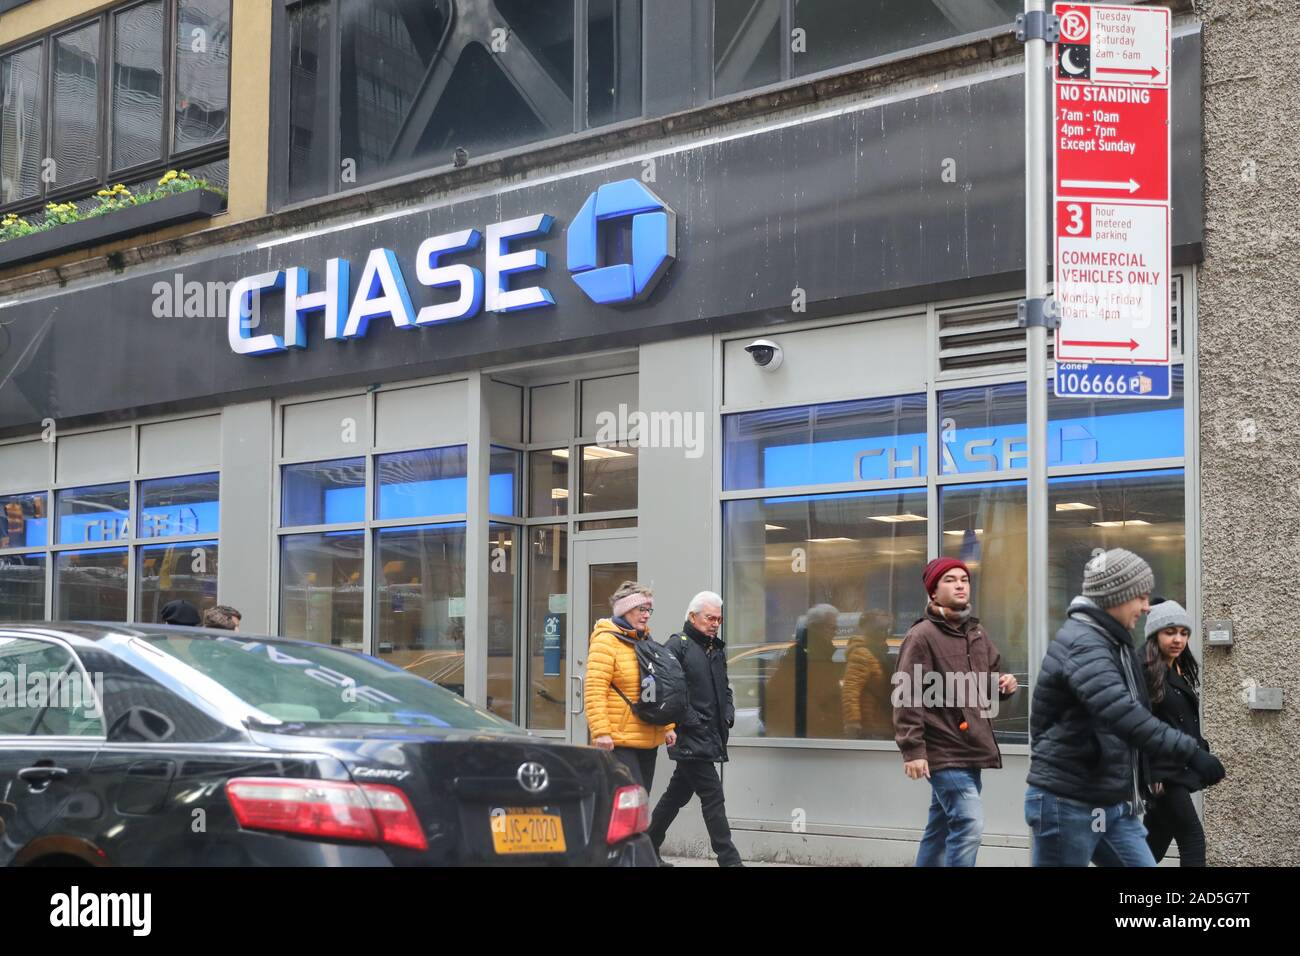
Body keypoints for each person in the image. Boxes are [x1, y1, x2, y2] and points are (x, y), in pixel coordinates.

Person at [1025, 549, 1226, 866]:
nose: (1146, 607)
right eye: (1141, 597)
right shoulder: (1085, 643)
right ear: (1117, 595)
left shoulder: (1113, 644)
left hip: (1110, 800)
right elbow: (1123, 714)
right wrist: (1190, 752)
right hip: (1068, 799)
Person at [894, 557, 1018, 867]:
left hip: (971, 746)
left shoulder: (976, 633)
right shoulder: (921, 636)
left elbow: (982, 686)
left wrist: (1002, 686)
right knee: (968, 822)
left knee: (940, 828)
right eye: (950, 579)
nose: (960, 584)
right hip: (942, 748)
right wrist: (913, 750)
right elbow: (906, 694)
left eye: (964, 578)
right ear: (933, 592)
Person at [647, 591, 743, 867]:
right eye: (709, 618)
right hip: (689, 735)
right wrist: (693, 721)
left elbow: (724, 688)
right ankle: (730, 860)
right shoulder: (678, 646)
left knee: (676, 795)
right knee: (713, 796)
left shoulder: (714, 649)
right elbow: (669, 691)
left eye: (719, 619)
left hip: (709, 734)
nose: (715, 624)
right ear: (692, 616)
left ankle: (646, 845)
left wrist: (728, 712)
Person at [584, 581, 675, 795]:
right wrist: (601, 732)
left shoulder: (645, 641)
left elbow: (657, 687)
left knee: (640, 801)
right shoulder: (606, 641)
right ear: (625, 610)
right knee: (627, 800)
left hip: (648, 736)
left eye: (648, 609)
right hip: (619, 739)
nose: (646, 615)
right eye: (641, 609)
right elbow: (595, 688)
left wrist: (667, 726)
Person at [1141, 600, 1208, 866]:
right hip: (1164, 772)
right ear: (1154, 635)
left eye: (1183, 632)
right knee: (1192, 839)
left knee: (1150, 847)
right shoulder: (1145, 672)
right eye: (1170, 632)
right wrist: (1151, 770)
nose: (1178, 639)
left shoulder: (1178, 667)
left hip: (1178, 765)